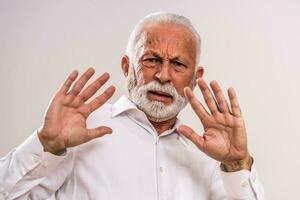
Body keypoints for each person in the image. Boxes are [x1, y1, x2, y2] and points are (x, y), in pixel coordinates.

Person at [0, 12, 264, 199]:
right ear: (126, 67)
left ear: (196, 77)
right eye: (151, 60)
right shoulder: (78, 133)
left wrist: (237, 163)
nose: (163, 75)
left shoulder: (211, 156)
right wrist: (46, 145)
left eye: (178, 64)